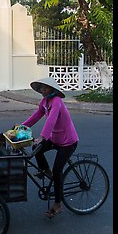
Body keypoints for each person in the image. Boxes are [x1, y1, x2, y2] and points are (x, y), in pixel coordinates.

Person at [21, 77, 79, 218]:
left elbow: (51, 120)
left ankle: (58, 204)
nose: (42, 90)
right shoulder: (44, 101)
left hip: (67, 142)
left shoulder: (57, 102)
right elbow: (36, 116)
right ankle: (46, 171)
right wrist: (21, 127)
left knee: (58, 171)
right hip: (55, 139)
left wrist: (42, 136)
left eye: (45, 88)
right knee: (37, 150)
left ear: (52, 89)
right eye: (41, 88)